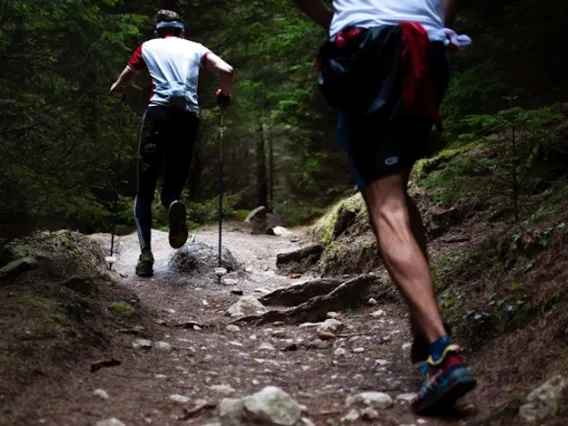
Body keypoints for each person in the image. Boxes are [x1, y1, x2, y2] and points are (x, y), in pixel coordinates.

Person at [292, 0, 475, 415]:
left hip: (367, 45)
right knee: (398, 189)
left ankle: (443, 354)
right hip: (426, 48)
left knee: (386, 204)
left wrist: (335, 20)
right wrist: (438, 29)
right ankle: (426, 328)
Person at [109, 10, 234, 277]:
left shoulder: (147, 47)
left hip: (158, 115)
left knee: (144, 190)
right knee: (173, 186)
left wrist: (117, 91)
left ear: (157, 32)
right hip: (188, 118)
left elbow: (125, 80)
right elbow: (226, 70)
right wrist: (223, 94)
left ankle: (145, 257)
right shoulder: (195, 48)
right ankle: (172, 203)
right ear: (182, 32)